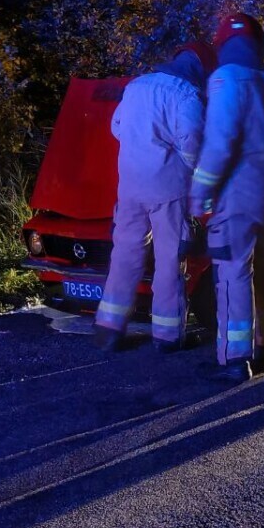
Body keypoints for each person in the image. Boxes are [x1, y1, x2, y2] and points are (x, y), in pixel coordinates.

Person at [189, 13, 264, 383]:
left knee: (232, 275)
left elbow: (219, 145)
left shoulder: (225, 79)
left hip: (234, 194)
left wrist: (199, 194)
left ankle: (235, 359)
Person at [94, 42, 216, 353]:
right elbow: (192, 142)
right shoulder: (186, 94)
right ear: (200, 69)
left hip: (130, 187)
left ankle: (108, 329)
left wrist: (140, 146)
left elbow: (116, 126)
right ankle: (167, 336)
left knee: (124, 255)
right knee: (169, 261)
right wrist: (191, 171)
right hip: (167, 190)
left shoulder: (137, 85)